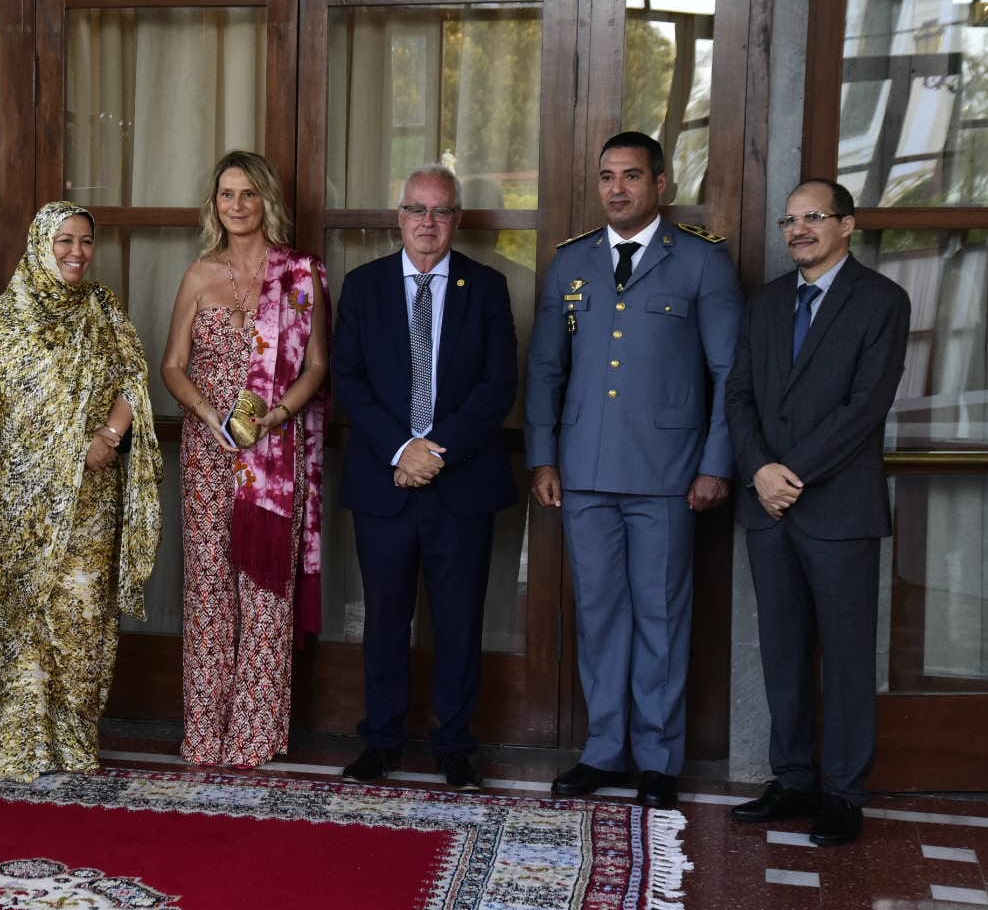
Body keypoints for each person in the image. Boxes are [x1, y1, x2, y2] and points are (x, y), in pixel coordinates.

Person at [524, 131, 743, 809]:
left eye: (631, 176)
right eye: (607, 177)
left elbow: (730, 373)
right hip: (585, 471)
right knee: (599, 616)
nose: (617, 189)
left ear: (661, 184)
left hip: (667, 475)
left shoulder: (701, 262)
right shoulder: (572, 262)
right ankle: (602, 750)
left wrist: (715, 463)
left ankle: (657, 758)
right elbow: (546, 368)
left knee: (661, 616)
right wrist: (543, 456)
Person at [725, 179, 909, 846]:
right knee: (783, 651)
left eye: (813, 217)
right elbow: (739, 394)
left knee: (847, 658)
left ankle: (844, 794)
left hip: (838, 510)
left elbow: (865, 408)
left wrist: (789, 474)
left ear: (847, 225)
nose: (798, 229)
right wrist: (759, 469)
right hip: (769, 508)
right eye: (790, 220)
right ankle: (795, 779)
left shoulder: (882, 301)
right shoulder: (767, 302)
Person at [332, 163, 517, 790]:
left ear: (456, 219)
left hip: (460, 482)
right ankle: (381, 740)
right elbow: (348, 380)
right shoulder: (364, 286)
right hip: (385, 482)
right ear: (399, 217)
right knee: (384, 617)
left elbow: (498, 385)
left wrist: (436, 451)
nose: (427, 222)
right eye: (417, 209)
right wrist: (402, 449)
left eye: (441, 211)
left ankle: (455, 745)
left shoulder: (486, 287)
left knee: (459, 620)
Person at [0, 200, 163, 783]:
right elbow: (6, 407)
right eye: (64, 241)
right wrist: (70, 448)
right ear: (41, 244)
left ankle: (74, 739)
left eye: (84, 241)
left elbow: (134, 379)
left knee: (82, 616)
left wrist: (107, 436)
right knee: (25, 613)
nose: (76, 252)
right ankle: (21, 740)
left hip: (91, 498)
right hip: (24, 502)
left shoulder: (103, 307)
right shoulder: (10, 315)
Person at [161, 150, 329, 769]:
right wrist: (210, 416)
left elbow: (317, 366)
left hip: (275, 452)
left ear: (267, 200)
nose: (236, 205)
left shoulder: (301, 274)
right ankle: (206, 732)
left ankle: (254, 734)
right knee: (209, 588)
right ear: (215, 204)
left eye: (248, 193)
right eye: (226, 194)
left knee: (264, 588)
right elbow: (172, 365)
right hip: (209, 451)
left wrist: (276, 416)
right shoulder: (199, 275)